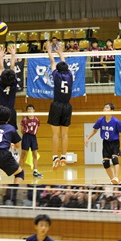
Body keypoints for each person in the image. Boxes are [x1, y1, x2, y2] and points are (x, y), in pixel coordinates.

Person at [84, 103, 121, 184]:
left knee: (114, 159)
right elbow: (95, 130)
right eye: (104, 108)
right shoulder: (100, 120)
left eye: (107, 108)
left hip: (115, 143)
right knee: (105, 163)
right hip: (105, 143)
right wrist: (87, 138)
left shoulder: (116, 121)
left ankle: (116, 177)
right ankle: (112, 180)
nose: (105, 109)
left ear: (112, 111)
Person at [47, 42, 74, 170]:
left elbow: (52, 62)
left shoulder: (56, 75)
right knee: (65, 134)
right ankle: (63, 157)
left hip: (56, 105)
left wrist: (49, 51)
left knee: (55, 134)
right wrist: (61, 53)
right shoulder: (70, 75)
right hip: (67, 106)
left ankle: (54, 158)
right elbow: (64, 65)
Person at [20, 104, 42, 178]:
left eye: (31, 109)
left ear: (34, 110)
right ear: (27, 111)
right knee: (23, 154)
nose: (30, 110)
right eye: (28, 109)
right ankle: (19, 170)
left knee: (35, 154)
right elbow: (22, 130)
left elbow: (37, 129)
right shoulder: (24, 120)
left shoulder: (37, 120)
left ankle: (35, 171)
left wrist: (33, 134)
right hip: (26, 136)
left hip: (33, 137)